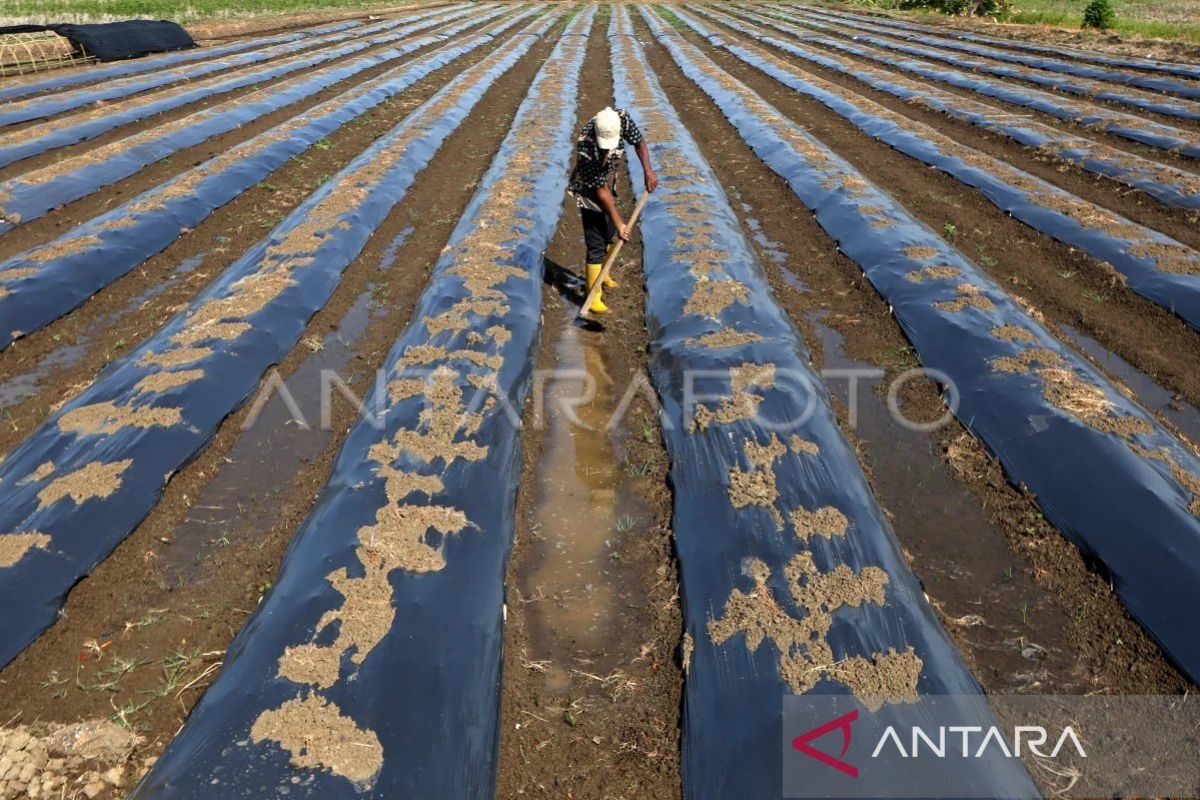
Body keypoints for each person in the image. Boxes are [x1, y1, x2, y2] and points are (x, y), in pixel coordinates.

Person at [567, 106, 658, 314]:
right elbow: (600, 192)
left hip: (607, 182)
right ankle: (593, 296)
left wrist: (648, 171)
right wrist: (620, 223)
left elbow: (639, 142)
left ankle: (604, 274)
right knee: (596, 240)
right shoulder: (587, 146)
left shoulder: (622, 119)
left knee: (608, 233)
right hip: (589, 189)